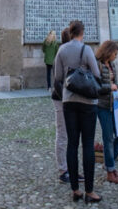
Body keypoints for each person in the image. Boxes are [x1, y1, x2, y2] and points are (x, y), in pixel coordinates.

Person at [53, 19, 107, 204]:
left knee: (72, 144)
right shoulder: (86, 49)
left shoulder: (62, 50)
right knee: (88, 144)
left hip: (69, 101)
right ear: (82, 33)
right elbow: (96, 74)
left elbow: (58, 77)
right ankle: (89, 191)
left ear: (70, 32)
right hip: (87, 102)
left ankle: (75, 190)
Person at [95, 40, 118, 184]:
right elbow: (95, 86)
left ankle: (109, 163)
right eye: (115, 53)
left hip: (115, 105)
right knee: (108, 138)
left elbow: (115, 82)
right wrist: (110, 87)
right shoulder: (98, 65)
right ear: (108, 52)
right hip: (103, 106)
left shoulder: (112, 65)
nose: (116, 56)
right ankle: (110, 171)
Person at [52, 27, 71, 184]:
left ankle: (70, 168)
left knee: (70, 135)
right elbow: (58, 79)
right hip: (61, 98)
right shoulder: (62, 53)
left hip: (70, 98)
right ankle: (63, 170)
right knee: (62, 133)